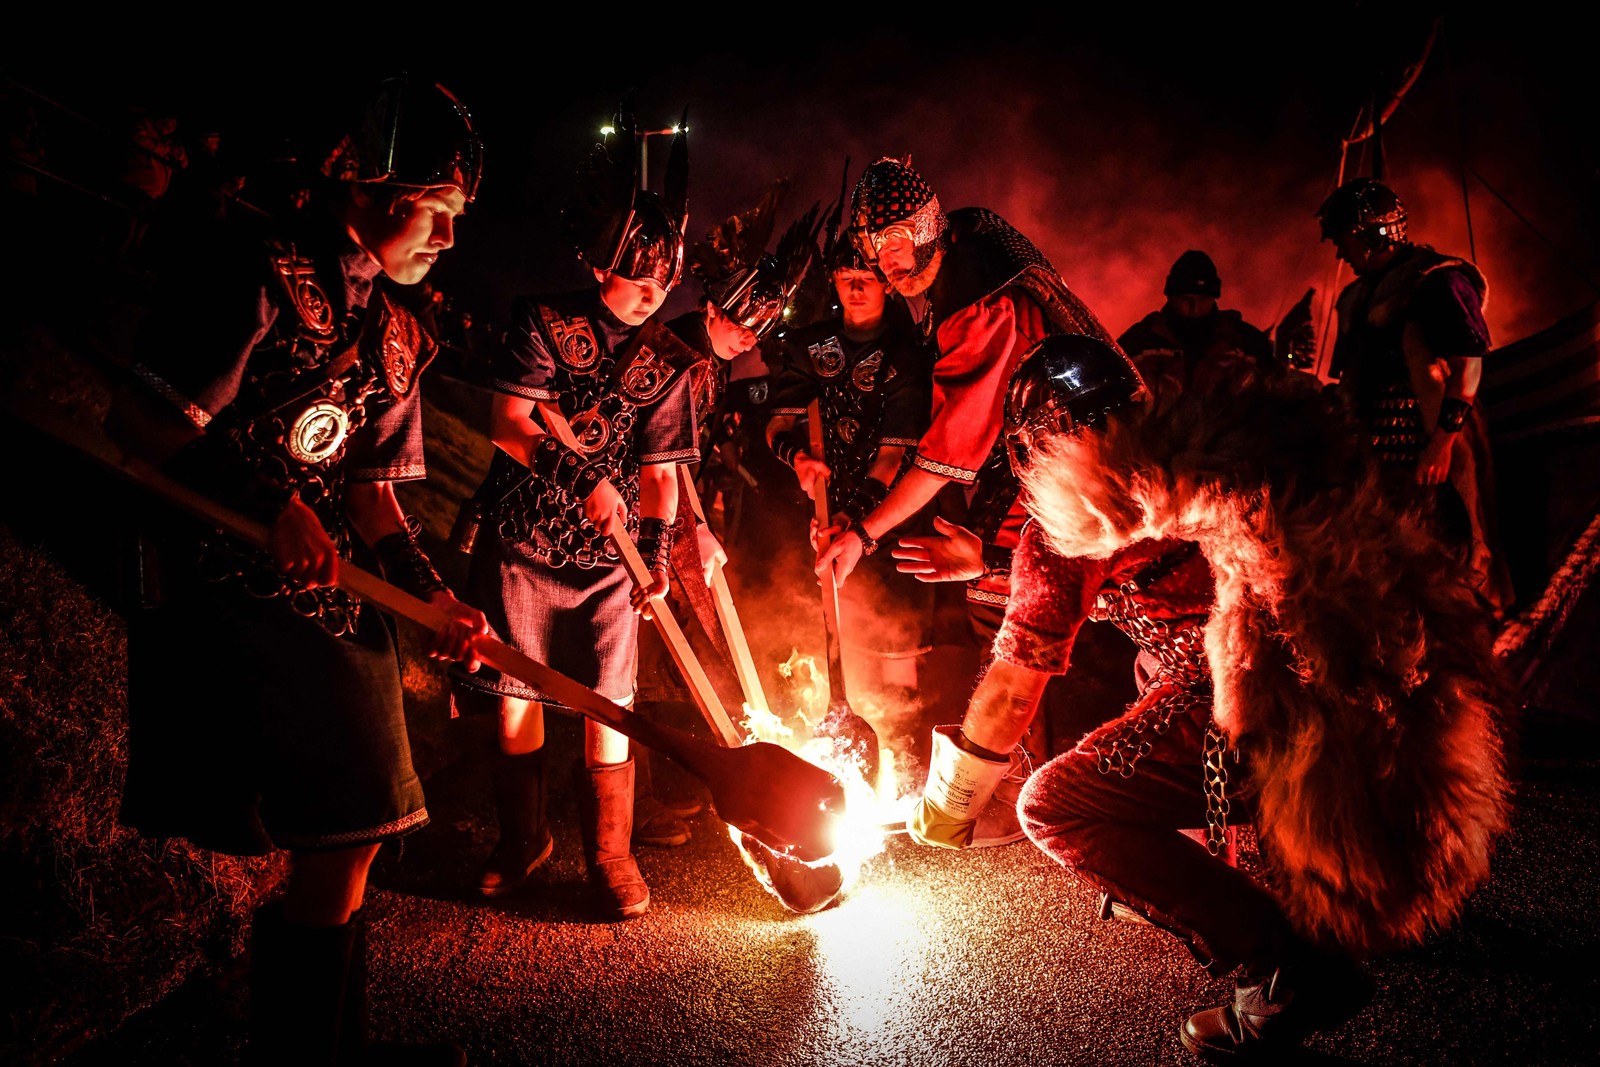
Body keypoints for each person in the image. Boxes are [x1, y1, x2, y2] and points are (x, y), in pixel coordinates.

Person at [907, 333, 1513, 1061]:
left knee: (1054, 805)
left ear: (1040, 448)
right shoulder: (1204, 461)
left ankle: (1287, 969)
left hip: (1242, 695)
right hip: (1338, 678)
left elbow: (1011, 691)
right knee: (1149, 674)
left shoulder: (1066, 529)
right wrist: (993, 563)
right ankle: (1304, 876)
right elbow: (1128, 571)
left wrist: (949, 799)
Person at [102, 76, 488, 1066]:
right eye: (435, 210)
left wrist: (432, 588)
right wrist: (268, 505)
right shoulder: (257, 266)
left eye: (457, 218)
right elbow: (147, 420)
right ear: (368, 186)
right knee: (346, 826)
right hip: (222, 575)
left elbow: (371, 490)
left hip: (326, 586)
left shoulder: (403, 330)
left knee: (357, 833)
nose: (447, 238)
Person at [814, 155, 1122, 842]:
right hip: (1050, 460)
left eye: (897, 243)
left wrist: (864, 534)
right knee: (1006, 599)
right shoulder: (975, 240)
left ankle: (1011, 782)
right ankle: (1015, 776)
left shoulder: (978, 305)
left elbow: (954, 446)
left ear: (927, 226)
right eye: (874, 251)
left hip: (1073, 467)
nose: (888, 267)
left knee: (1021, 607)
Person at [448, 110, 698, 920]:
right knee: (517, 690)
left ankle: (609, 854)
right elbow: (510, 423)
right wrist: (577, 474)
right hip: (525, 541)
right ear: (602, 264)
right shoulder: (540, 322)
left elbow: (661, 476)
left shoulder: (671, 363)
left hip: (610, 564)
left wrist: (653, 551)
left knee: (608, 702)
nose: (652, 292)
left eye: (664, 281)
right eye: (638, 276)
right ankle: (524, 838)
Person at [1318, 176, 1516, 619]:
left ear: (1373, 234)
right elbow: (1350, 377)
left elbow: (1469, 363)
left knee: (1459, 547)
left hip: (1437, 437)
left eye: (1344, 239)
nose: (1339, 252)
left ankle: (1482, 634)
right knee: (1388, 561)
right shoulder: (1355, 297)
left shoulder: (1437, 282)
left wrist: (1442, 443)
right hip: (1376, 452)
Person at [765, 212, 936, 710]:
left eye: (866, 279)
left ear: (887, 285)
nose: (856, 288)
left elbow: (892, 453)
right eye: (847, 279)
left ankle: (900, 735)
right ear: (834, 283)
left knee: (897, 628)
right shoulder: (807, 346)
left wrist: (857, 516)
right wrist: (797, 458)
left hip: (897, 508)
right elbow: (778, 425)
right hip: (826, 504)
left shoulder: (908, 353)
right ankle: (854, 715)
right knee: (842, 613)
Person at [1116, 249, 1282, 395]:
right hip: (1154, 431)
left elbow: (1280, 389)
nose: (1195, 308)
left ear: (1213, 299)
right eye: (1186, 299)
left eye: (1203, 299)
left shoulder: (1246, 343)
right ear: (1171, 297)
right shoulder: (1139, 343)